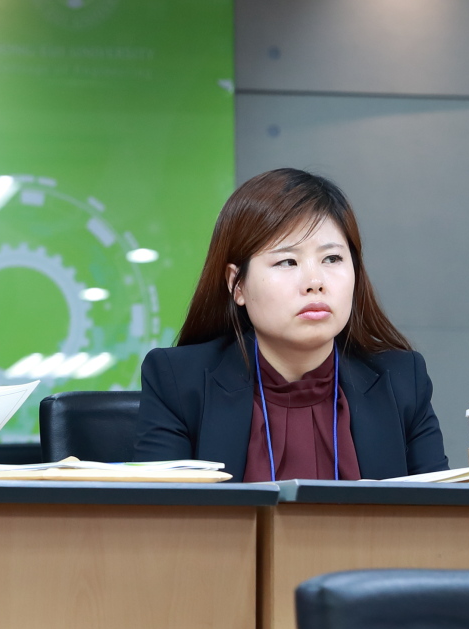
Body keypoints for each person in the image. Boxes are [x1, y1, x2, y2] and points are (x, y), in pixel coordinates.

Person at [135, 168, 445, 481]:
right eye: (287, 261)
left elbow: (440, 509)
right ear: (237, 285)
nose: (315, 282)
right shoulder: (179, 382)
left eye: (332, 259)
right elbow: (163, 510)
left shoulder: (402, 382)